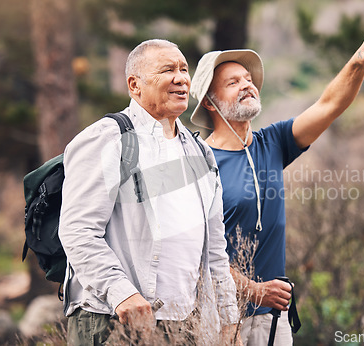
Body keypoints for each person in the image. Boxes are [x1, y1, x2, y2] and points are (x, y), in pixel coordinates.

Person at [190, 26, 364, 345]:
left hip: (274, 319)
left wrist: (356, 63)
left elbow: (329, 105)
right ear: (211, 104)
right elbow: (196, 252)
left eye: (248, 79)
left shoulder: (273, 142)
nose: (247, 85)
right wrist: (255, 290)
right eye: (233, 82)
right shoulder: (198, 161)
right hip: (221, 319)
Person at [58, 39, 240, 345]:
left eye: (184, 69)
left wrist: (228, 318)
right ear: (134, 85)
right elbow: (78, 230)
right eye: (168, 69)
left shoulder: (200, 152)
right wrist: (122, 293)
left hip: (185, 324)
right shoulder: (107, 139)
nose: (182, 77)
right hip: (113, 318)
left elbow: (215, 250)